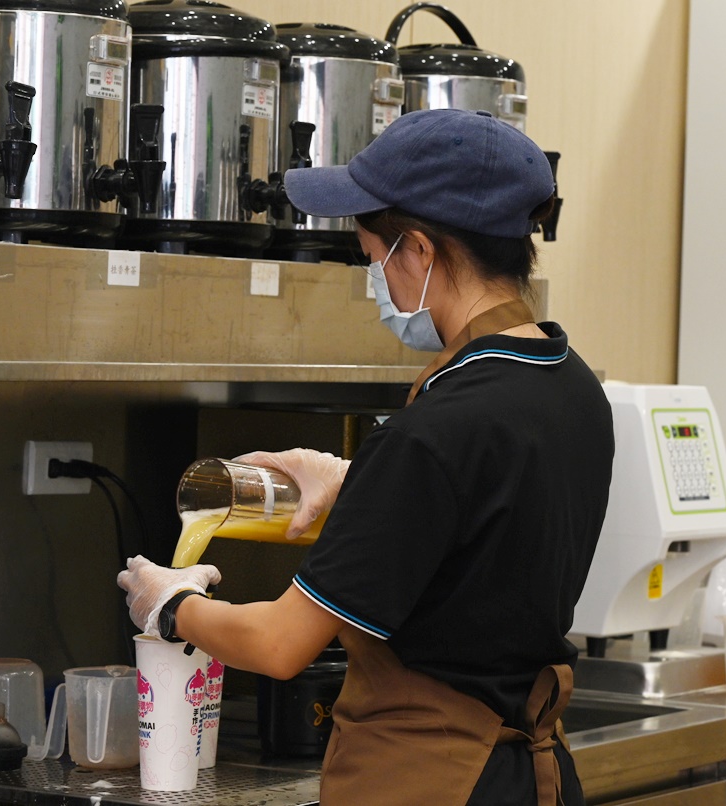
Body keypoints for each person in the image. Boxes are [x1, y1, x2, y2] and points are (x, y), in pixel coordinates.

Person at [118, 108, 614, 805]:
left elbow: (280, 644)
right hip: (532, 777)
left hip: (433, 781)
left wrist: (169, 606)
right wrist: (356, 481)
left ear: (419, 250)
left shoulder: (435, 431)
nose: (374, 278)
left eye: (370, 255)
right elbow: (488, 527)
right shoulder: (573, 388)